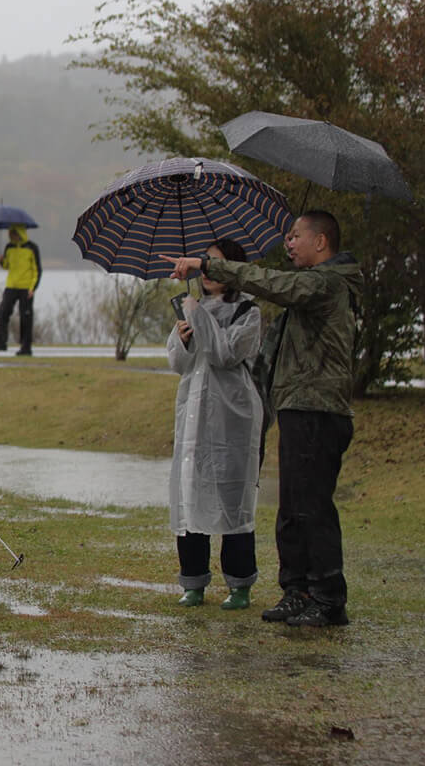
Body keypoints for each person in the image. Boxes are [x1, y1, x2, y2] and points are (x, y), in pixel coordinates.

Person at [165, 210, 362, 628]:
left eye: (295, 236)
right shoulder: (312, 286)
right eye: (287, 236)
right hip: (295, 405)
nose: (288, 243)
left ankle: (327, 597)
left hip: (318, 408)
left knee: (311, 508)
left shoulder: (325, 282)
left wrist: (208, 265)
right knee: (292, 508)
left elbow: (270, 287)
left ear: (321, 242)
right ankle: (298, 591)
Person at [166, 239, 262, 610]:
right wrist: (183, 337)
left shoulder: (247, 312)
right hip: (193, 412)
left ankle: (240, 584)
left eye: (213, 264)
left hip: (231, 415)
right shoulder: (192, 307)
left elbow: (226, 353)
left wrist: (199, 319)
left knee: (232, 500)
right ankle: (193, 582)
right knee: (190, 495)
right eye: (203, 264)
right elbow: (177, 362)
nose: (205, 271)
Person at [0, 224, 40, 355]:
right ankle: (1, 343)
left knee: (26, 318)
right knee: (2, 314)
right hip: (11, 286)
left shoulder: (32, 248)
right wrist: (2, 261)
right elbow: (7, 266)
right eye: (10, 233)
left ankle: (26, 348)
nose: (10, 235)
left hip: (26, 288)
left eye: (13, 233)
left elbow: (37, 270)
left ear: (20, 233)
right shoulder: (9, 247)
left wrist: (33, 288)